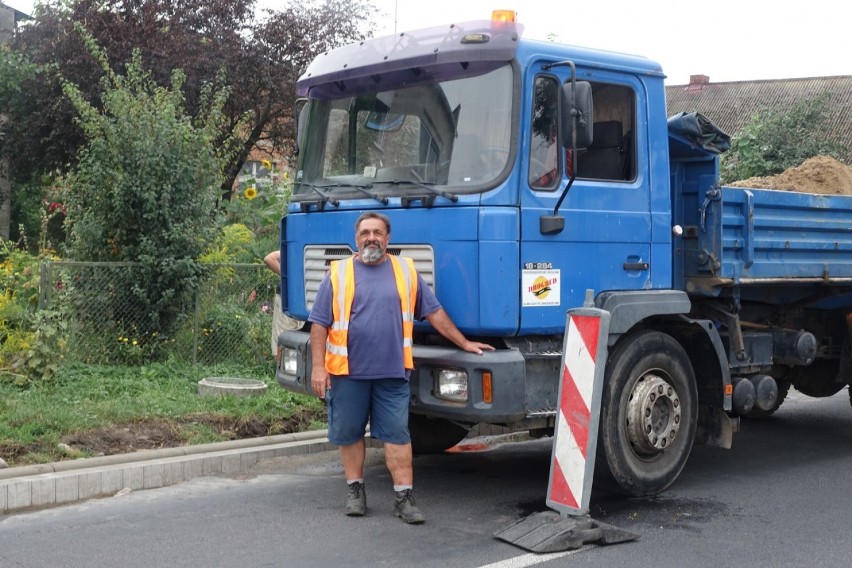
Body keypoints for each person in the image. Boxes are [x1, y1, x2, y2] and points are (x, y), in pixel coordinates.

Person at [308, 212, 494, 524]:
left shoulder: (406, 272)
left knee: (398, 436)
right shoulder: (338, 274)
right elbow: (319, 325)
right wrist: (317, 367)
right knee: (349, 433)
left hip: (392, 373)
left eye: (377, 232)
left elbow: (433, 312)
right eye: (365, 232)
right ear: (356, 239)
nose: (371, 237)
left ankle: (404, 499)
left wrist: (463, 343)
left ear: (387, 239)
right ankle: (355, 492)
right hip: (347, 372)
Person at [264, 250, 302, 357]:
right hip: (286, 301)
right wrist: (288, 277)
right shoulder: (292, 249)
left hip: (305, 302)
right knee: (282, 342)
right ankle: (281, 369)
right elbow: (269, 259)